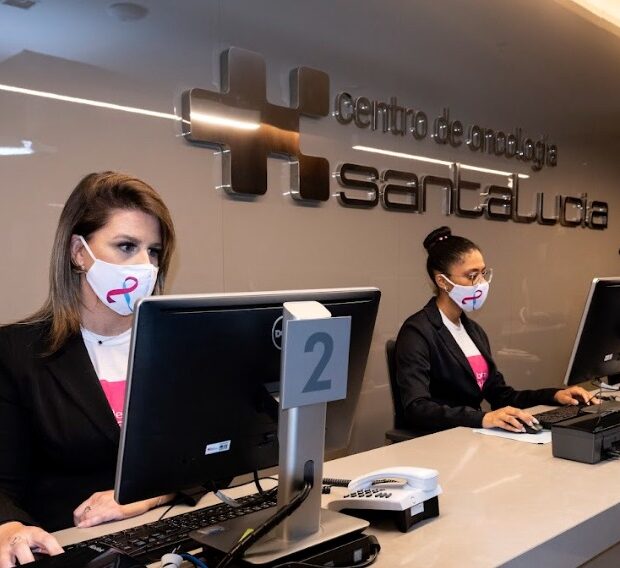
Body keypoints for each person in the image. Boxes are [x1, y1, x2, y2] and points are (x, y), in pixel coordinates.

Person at [0, 172, 176, 567]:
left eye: (153, 251)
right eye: (126, 246)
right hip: (70, 549)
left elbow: (213, 458)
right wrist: (8, 528)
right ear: (79, 252)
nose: (144, 266)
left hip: (171, 541)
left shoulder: (176, 345)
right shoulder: (16, 353)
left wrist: (146, 497)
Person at [395, 226, 596, 436]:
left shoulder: (474, 331)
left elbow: (501, 396)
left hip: (470, 437)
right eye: (471, 276)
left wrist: (554, 396)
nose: (481, 283)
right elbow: (417, 408)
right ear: (442, 281)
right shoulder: (417, 332)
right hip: (439, 440)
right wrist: (482, 418)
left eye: (482, 273)